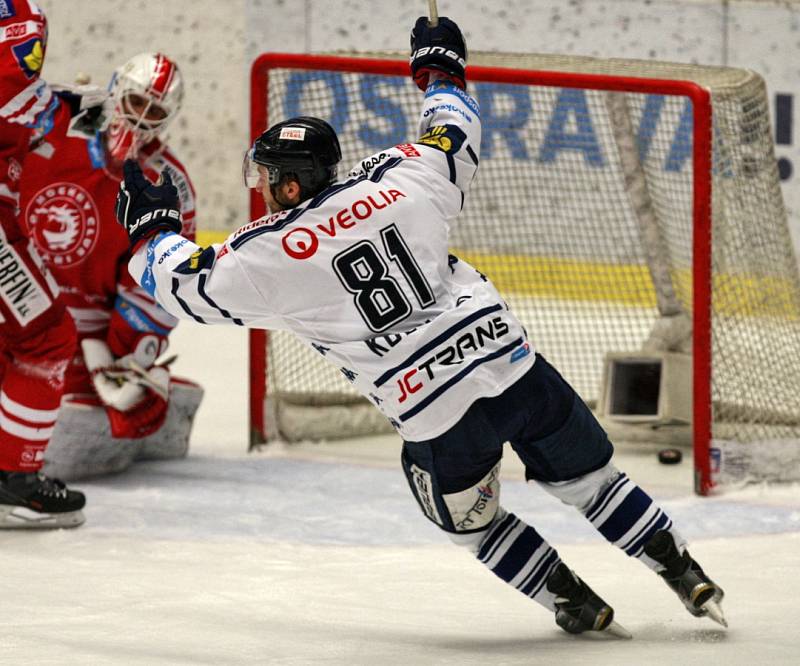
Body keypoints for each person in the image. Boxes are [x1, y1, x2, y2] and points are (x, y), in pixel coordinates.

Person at [113, 16, 726, 635]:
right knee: (594, 482)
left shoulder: (267, 255)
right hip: (512, 367)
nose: (265, 191)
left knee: (469, 522)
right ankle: (685, 573)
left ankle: (571, 599)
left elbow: (182, 287)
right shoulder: (405, 175)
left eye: (269, 178)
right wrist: (440, 70)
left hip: (437, 414)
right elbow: (454, 125)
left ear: (292, 182)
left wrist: (150, 229)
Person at [17, 52, 202, 480]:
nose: (141, 118)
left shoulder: (166, 185)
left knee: (102, 417)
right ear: (117, 90)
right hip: (17, 304)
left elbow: (160, 282)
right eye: (136, 102)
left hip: (86, 337)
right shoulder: (52, 130)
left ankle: (156, 403)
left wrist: (125, 355)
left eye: (153, 110)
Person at [0, 0, 104, 527]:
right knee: (45, 336)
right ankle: (13, 481)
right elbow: (12, 90)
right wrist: (67, 109)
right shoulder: (17, 13)